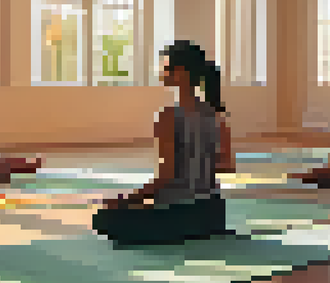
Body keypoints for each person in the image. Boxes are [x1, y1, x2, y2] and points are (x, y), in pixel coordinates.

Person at [91, 41, 235, 246]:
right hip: (213, 214)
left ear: (182, 74)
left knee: (103, 218)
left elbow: (166, 177)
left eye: (166, 67)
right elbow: (228, 166)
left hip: (178, 214)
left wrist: (127, 200)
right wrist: (199, 164)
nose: (161, 72)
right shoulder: (217, 116)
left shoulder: (168, 116)